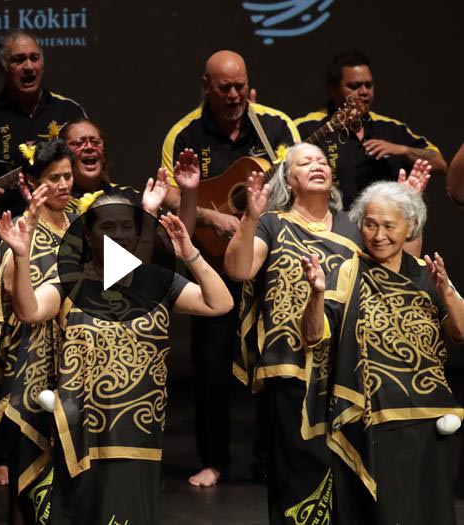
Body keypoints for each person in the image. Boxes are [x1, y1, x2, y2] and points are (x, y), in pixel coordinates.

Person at [0, 188, 233, 524]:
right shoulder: (69, 281)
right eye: (108, 227)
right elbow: (30, 311)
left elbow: (219, 303)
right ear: (88, 236)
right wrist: (21, 257)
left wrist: (191, 253)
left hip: (138, 429)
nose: (119, 234)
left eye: (127, 227)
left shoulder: (156, 280)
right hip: (83, 431)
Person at [223, 142, 431, 523]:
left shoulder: (354, 225)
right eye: (305, 162)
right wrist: (250, 219)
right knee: (299, 469)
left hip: (349, 367)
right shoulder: (273, 222)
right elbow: (239, 270)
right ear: (289, 179)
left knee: (347, 466)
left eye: (321, 160)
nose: (316, 165)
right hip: (291, 366)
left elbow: (400, 269)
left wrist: (408, 212)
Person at [160, 49, 300, 487]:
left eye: (241, 85)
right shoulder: (184, 133)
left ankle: (270, 457)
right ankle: (213, 459)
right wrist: (210, 216)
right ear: (206, 86)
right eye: (226, 88)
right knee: (211, 363)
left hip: (265, 262)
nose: (236, 94)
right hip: (211, 265)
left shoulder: (274, 125)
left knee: (272, 360)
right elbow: (165, 194)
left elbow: (298, 182)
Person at [300, 181, 464, 525]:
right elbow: (313, 337)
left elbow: (460, 333)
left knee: (427, 509)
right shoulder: (345, 273)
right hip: (371, 415)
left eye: (389, 226)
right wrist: (316, 295)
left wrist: (447, 292)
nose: (378, 235)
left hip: (426, 416)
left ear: (411, 227)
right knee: (381, 512)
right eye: (370, 224)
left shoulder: (427, 275)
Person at [0, 28, 86, 486]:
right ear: (4, 66)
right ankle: (1, 449)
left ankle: (69, 433)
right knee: (5, 336)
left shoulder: (69, 111)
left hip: (66, 233)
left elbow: (85, 170)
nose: (29, 67)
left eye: (35, 58)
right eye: (19, 60)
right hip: (7, 240)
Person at [0, 138, 76, 523]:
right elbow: (10, 288)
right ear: (31, 183)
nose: (63, 185)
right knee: (30, 470)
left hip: (73, 358)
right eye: (53, 178)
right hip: (34, 360)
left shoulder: (78, 223)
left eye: (68, 176)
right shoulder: (23, 228)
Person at [294, 51, 447, 210]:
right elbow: (279, 169)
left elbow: (440, 163)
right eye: (354, 86)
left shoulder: (391, 128)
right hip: (328, 227)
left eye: (369, 85)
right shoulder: (308, 126)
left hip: (384, 225)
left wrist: (402, 150)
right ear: (333, 89)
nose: (364, 92)